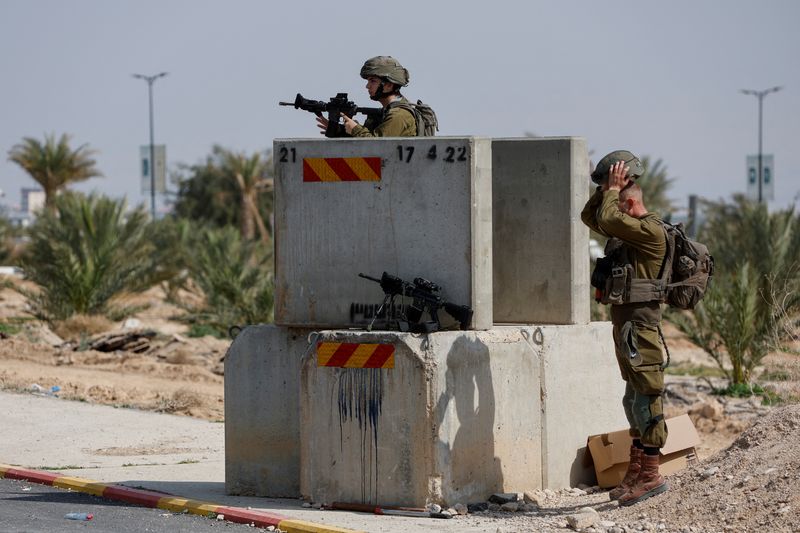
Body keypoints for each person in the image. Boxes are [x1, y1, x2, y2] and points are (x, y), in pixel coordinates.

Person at [580, 150, 669, 507]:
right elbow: (592, 216)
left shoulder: (649, 231)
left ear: (630, 202)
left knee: (647, 391)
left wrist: (613, 192)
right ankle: (636, 471)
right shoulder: (627, 231)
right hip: (627, 323)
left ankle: (650, 474)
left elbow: (609, 218)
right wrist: (606, 188)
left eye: (620, 202)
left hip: (641, 325)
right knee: (632, 395)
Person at [317, 56, 417, 137]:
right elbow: (373, 137)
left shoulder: (398, 115)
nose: (367, 86)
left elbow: (376, 147)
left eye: (373, 81)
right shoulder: (389, 111)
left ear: (389, 85)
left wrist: (355, 129)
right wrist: (341, 130)